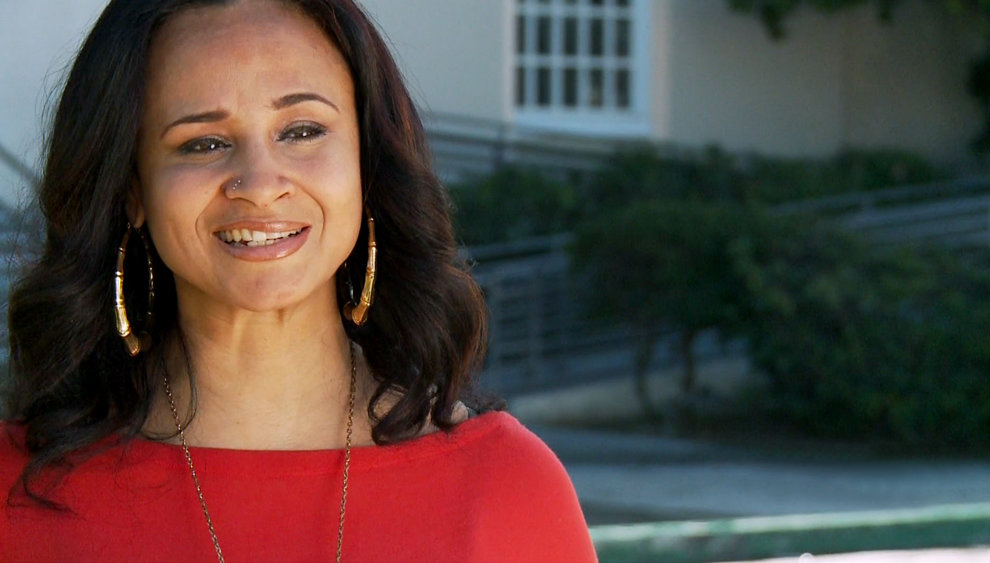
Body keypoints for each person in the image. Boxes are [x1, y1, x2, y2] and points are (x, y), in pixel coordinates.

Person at [0, 0, 597, 561]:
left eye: (303, 131)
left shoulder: (506, 490)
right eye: (203, 143)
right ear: (133, 189)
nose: (261, 184)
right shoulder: (17, 497)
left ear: (365, 162)